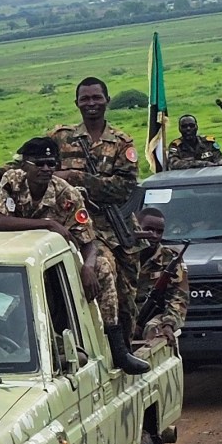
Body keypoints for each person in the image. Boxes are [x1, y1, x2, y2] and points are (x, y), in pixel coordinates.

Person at [0, 136, 146, 374]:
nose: (45, 169)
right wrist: (47, 225)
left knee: (103, 267)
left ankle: (118, 348)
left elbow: (88, 240)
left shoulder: (67, 194)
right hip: (18, 256)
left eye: (51, 164)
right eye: (39, 163)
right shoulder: (12, 182)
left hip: (57, 258)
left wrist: (88, 267)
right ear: (25, 165)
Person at [50, 77, 146, 371]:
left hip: (115, 226)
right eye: (85, 98)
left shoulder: (121, 142)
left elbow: (125, 189)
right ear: (76, 103)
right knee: (103, 273)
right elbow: (32, 163)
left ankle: (125, 346)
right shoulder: (61, 137)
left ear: (107, 100)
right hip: (78, 224)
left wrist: (78, 178)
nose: (91, 103)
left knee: (128, 294)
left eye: (96, 98)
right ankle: (111, 349)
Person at [132, 207, 189, 350]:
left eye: (159, 232)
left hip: (154, 316)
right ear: (137, 227)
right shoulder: (122, 255)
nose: (154, 235)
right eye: (149, 230)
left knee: (155, 330)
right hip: (125, 316)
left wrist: (169, 324)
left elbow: (179, 298)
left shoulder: (170, 259)